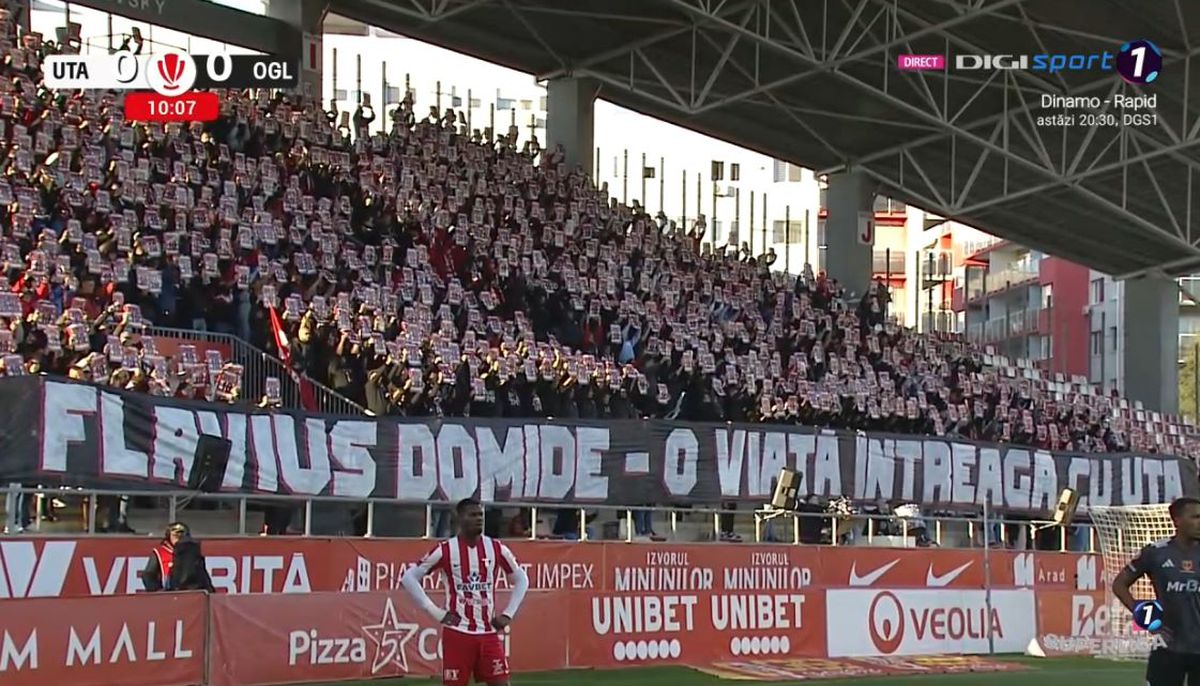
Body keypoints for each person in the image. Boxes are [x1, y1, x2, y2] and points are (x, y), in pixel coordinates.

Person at [402, 498, 529, 686]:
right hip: (458, 633)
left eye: (480, 515)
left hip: (488, 632)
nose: (478, 519)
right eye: (473, 515)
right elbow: (409, 578)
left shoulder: (496, 548)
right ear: (460, 518)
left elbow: (522, 579)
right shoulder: (446, 550)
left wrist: (508, 614)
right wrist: (436, 612)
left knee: (501, 683)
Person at [1112, 496, 1200, 686]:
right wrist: (1145, 617)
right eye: (1195, 517)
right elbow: (1119, 585)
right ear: (1177, 520)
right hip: (1167, 646)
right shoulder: (1156, 552)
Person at [142, 522, 190, 592]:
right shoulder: (160, 552)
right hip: (167, 593)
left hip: (188, 593)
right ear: (169, 536)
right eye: (175, 536)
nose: (178, 539)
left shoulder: (192, 552)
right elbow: (148, 575)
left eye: (181, 536)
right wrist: (158, 590)